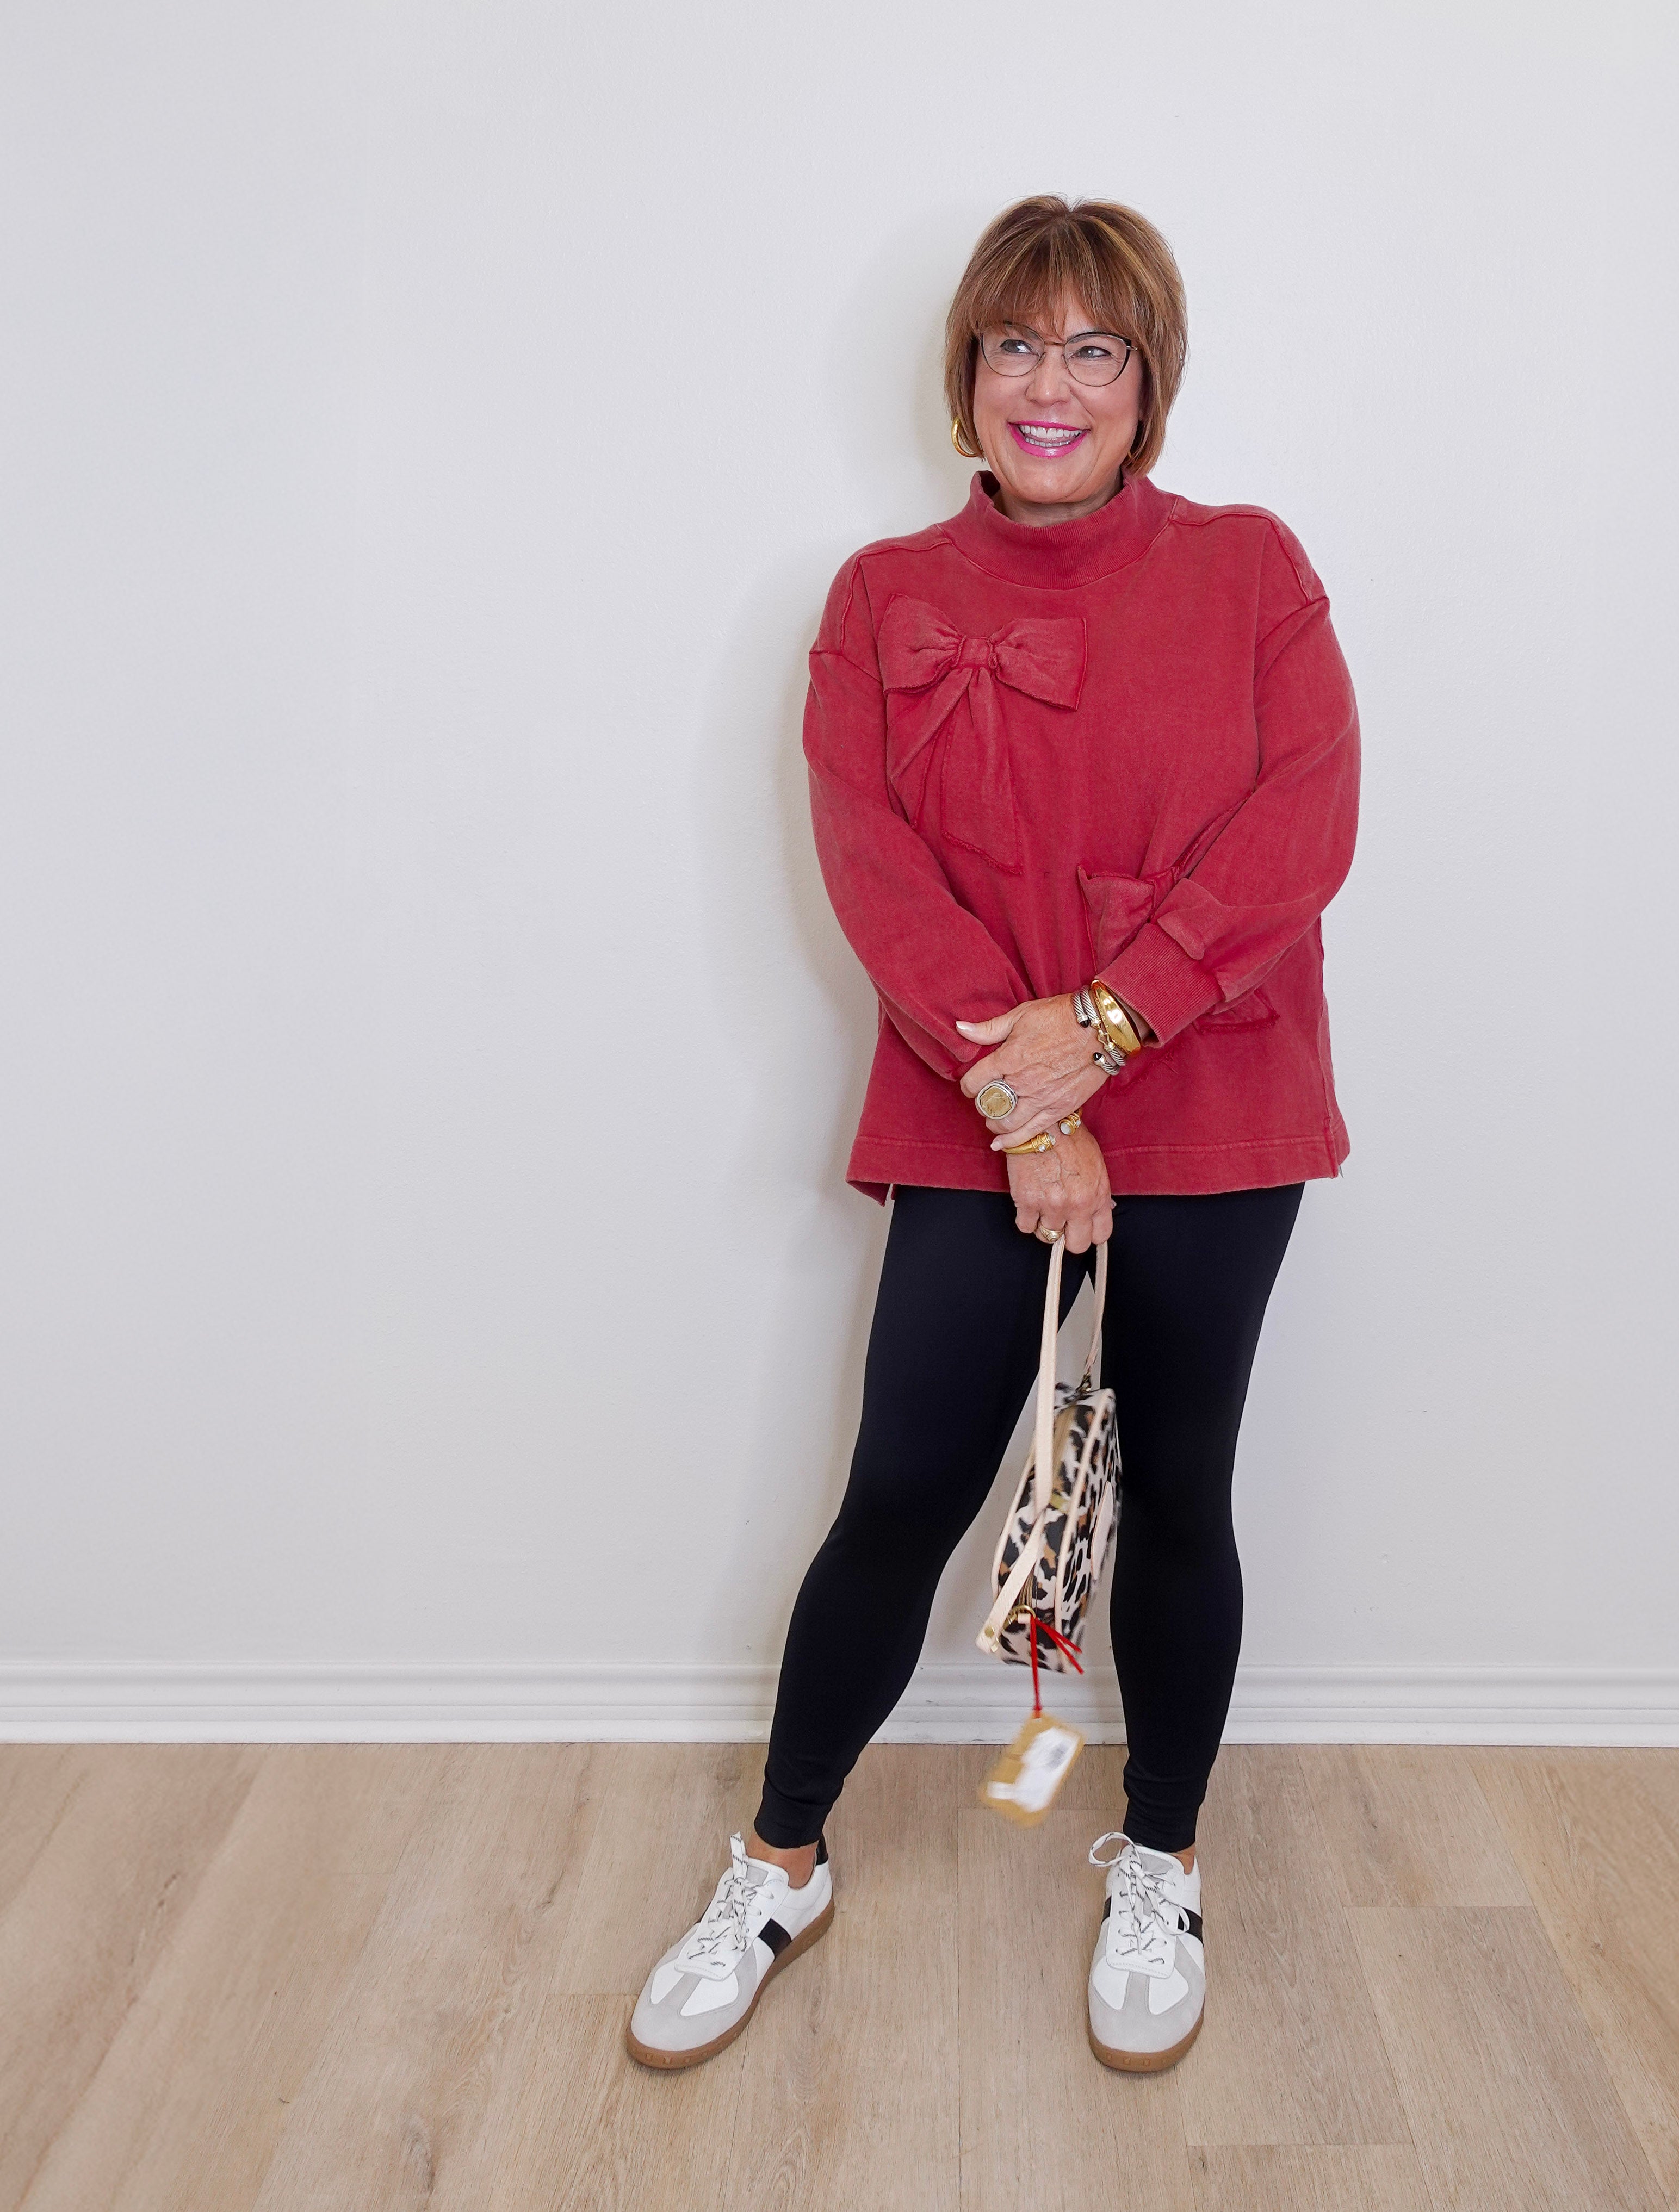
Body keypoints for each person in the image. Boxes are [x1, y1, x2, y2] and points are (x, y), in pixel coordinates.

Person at [628, 195, 1359, 2075]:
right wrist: (1028, 1094)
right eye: (1018, 344)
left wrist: (1107, 1030)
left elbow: (1301, 830)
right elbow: (875, 869)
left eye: (1095, 350)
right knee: (900, 1498)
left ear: (1149, 386)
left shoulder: (1256, 566)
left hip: (1214, 1092)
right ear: (966, 375)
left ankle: (1162, 1852)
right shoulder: (879, 598)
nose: (1053, 383)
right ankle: (779, 1857)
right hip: (971, 1108)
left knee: (1179, 1495)